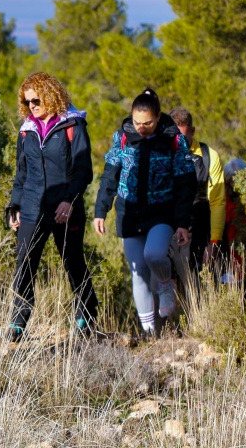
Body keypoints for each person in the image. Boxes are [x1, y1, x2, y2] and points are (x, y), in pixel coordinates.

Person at [94, 89, 197, 336]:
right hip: (129, 213)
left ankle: (165, 283)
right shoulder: (122, 137)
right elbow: (110, 175)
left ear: (158, 117)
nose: (141, 128)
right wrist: (100, 210)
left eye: (148, 123)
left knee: (154, 255)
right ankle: (150, 334)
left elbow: (185, 182)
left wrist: (182, 222)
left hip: (161, 212)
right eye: (137, 122)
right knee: (138, 271)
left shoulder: (173, 139)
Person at [5, 72, 98, 342]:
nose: (32, 105)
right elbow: (21, 173)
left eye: (36, 100)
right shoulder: (26, 129)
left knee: (73, 262)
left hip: (65, 208)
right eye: (27, 101)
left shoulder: (73, 125)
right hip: (31, 208)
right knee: (24, 263)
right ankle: (18, 321)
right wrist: (15, 206)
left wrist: (69, 200)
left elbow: (83, 171)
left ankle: (86, 315)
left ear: (50, 95)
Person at [169, 107, 225, 271]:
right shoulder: (160, 155)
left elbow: (217, 201)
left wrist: (215, 241)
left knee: (197, 281)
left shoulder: (209, 156)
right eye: (174, 137)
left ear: (192, 131)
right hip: (167, 231)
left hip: (200, 233)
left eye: (183, 137)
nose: (179, 142)